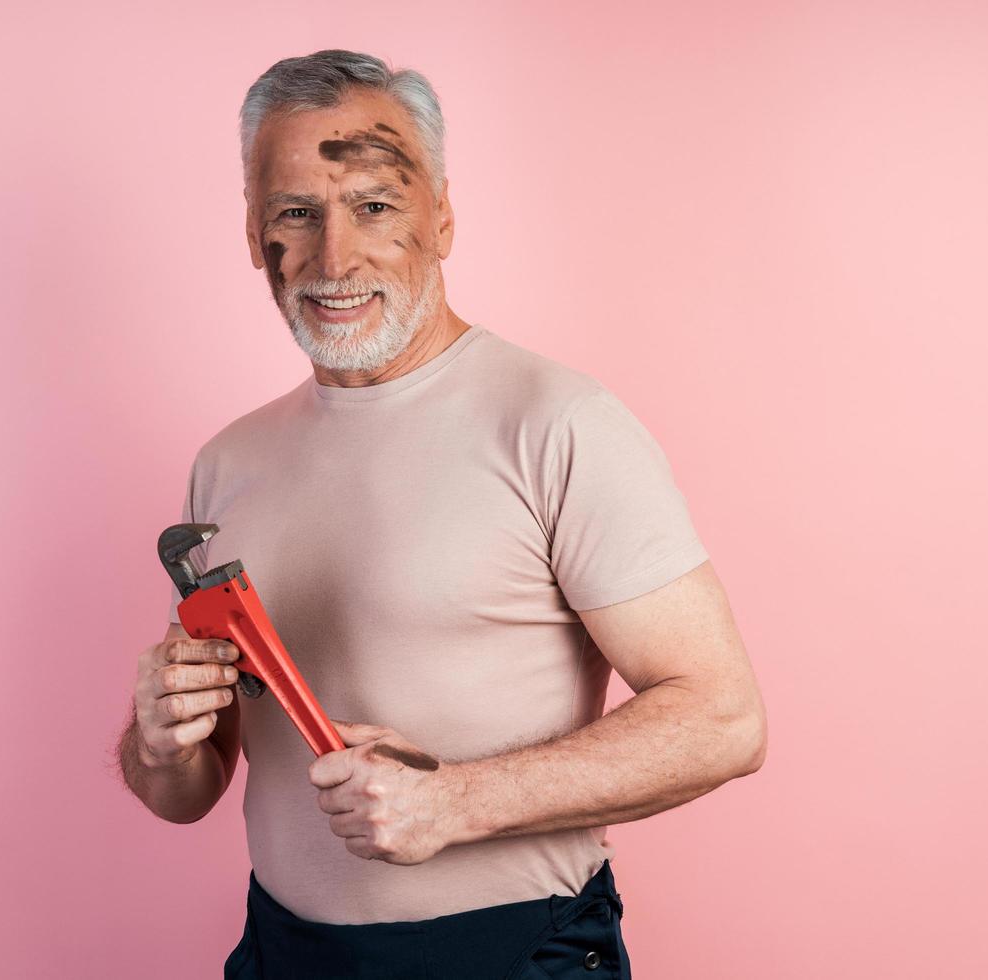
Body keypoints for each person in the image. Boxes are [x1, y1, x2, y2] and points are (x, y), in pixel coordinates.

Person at [116, 48, 768, 979]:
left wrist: (459, 801)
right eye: (296, 213)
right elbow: (187, 791)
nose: (332, 257)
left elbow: (724, 721)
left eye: (373, 206)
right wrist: (156, 740)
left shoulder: (558, 424)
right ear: (255, 230)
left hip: (513, 952)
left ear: (443, 216)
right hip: (282, 953)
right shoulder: (228, 462)